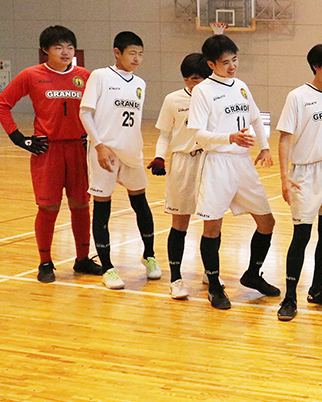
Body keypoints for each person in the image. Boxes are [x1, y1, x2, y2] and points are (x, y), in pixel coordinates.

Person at [0, 25, 102, 283]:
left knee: (81, 205)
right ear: (45, 50)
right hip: (48, 150)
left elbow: (101, 109)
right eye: (59, 47)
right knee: (48, 207)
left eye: (70, 47)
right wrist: (18, 137)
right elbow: (3, 103)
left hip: (78, 149)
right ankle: (45, 262)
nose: (65, 52)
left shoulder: (85, 76)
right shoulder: (31, 75)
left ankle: (82, 259)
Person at [187, 34, 279, 310]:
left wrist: (265, 147)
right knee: (212, 227)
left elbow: (255, 117)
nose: (232, 66)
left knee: (267, 222)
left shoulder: (240, 86)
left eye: (235, 60)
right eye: (225, 62)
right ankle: (214, 286)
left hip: (243, 163)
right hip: (217, 163)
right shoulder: (203, 91)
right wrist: (229, 137)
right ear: (211, 64)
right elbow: (198, 133)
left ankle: (253, 274)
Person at [275, 43, 322, 321]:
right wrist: (284, 176)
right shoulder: (297, 96)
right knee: (302, 235)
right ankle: (289, 297)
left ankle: (318, 289)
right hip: (305, 173)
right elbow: (285, 138)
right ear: (316, 66)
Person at [79, 31, 159, 290]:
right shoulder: (100, 76)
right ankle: (108, 267)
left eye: (141, 54)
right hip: (105, 153)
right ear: (117, 52)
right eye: (132, 53)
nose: (137, 59)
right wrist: (99, 145)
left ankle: (149, 255)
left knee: (141, 204)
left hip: (132, 152)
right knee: (103, 208)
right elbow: (85, 113)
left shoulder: (140, 83)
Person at [147, 53, 212, 299]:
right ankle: (175, 279)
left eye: (202, 79)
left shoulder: (214, 98)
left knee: (212, 221)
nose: (197, 84)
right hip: (183, 162)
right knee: (180, 223)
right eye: (193, 79)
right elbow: (164, 134)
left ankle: (210, 272)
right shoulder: (173, 100)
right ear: (185, 79)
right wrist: (159, 156)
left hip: (209, 162)